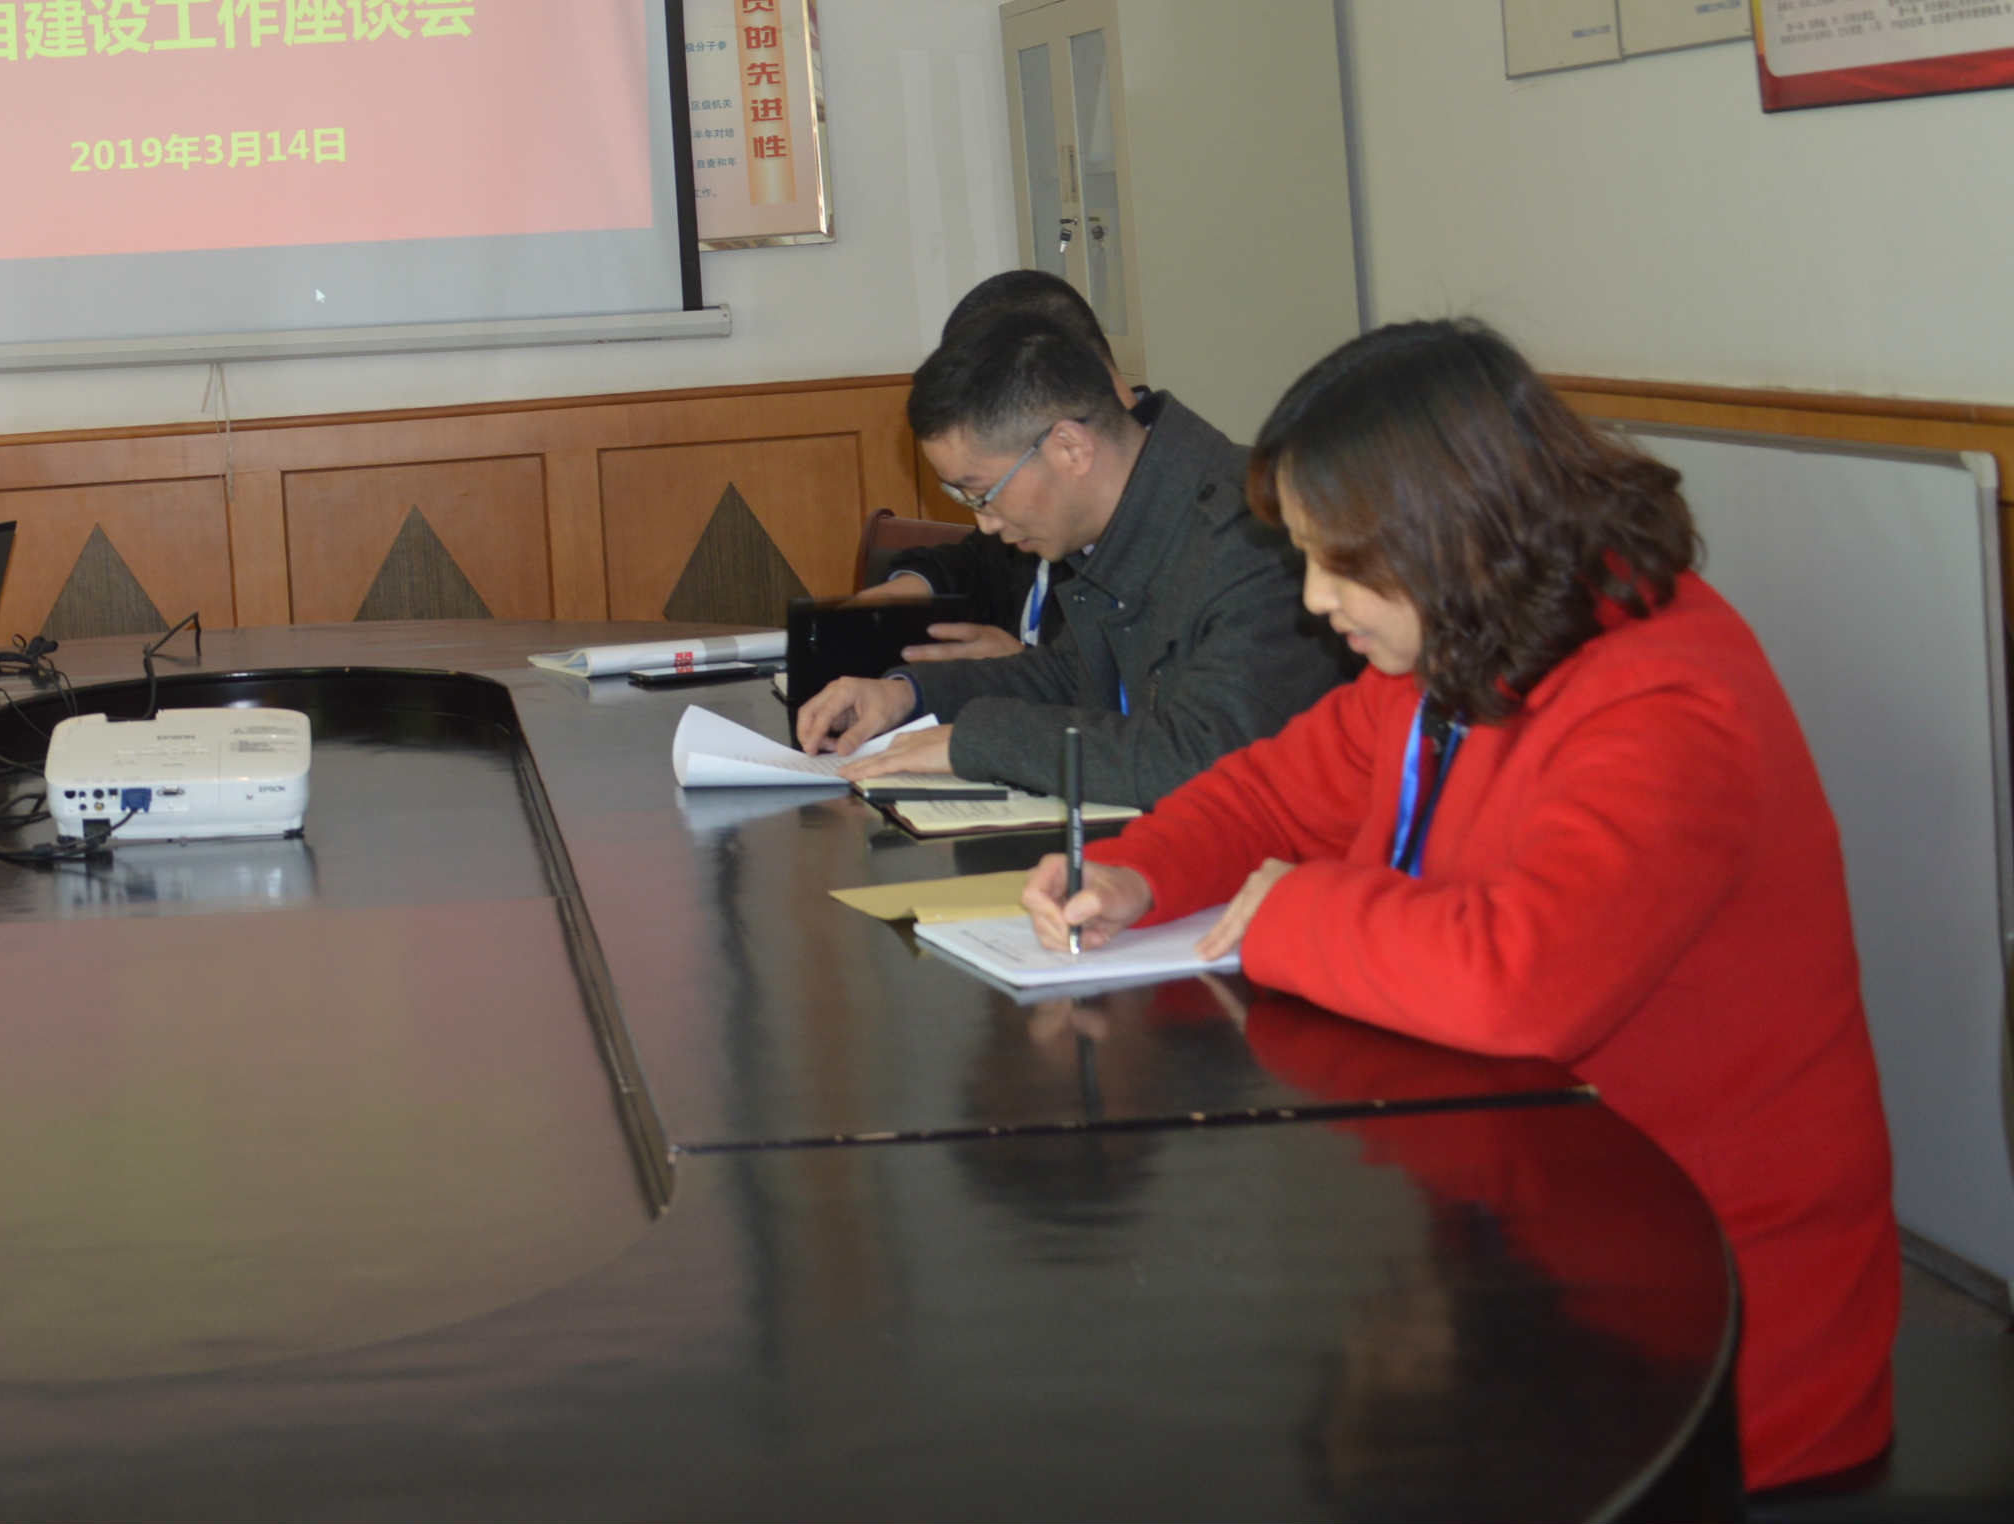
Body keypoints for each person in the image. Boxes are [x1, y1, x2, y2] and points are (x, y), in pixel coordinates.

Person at [1022, 320, 1896, 1490]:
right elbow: (1273, 789)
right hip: (1532, 1273)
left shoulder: (1665, 694)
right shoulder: (1463, 642)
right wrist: (1139, 868)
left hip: (1708, 1346)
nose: (1316, 598)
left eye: (1340, 562)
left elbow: (1521, 981)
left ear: (1451, 530)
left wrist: (1293, 911)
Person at [795, 314, 1346, 801]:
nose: (984, 523)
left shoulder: (1256, 535)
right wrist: (906, 695)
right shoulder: (1133, 510)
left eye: (982, 493)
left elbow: (1203, 758)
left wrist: (978, 742)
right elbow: (1073, 674)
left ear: (1070, 448)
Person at [855, 270, 1119, 664]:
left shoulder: (1138, 495)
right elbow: (983, 560)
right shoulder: (1028, 479)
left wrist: (1024, 667)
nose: (988, 522)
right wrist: (910, 589)